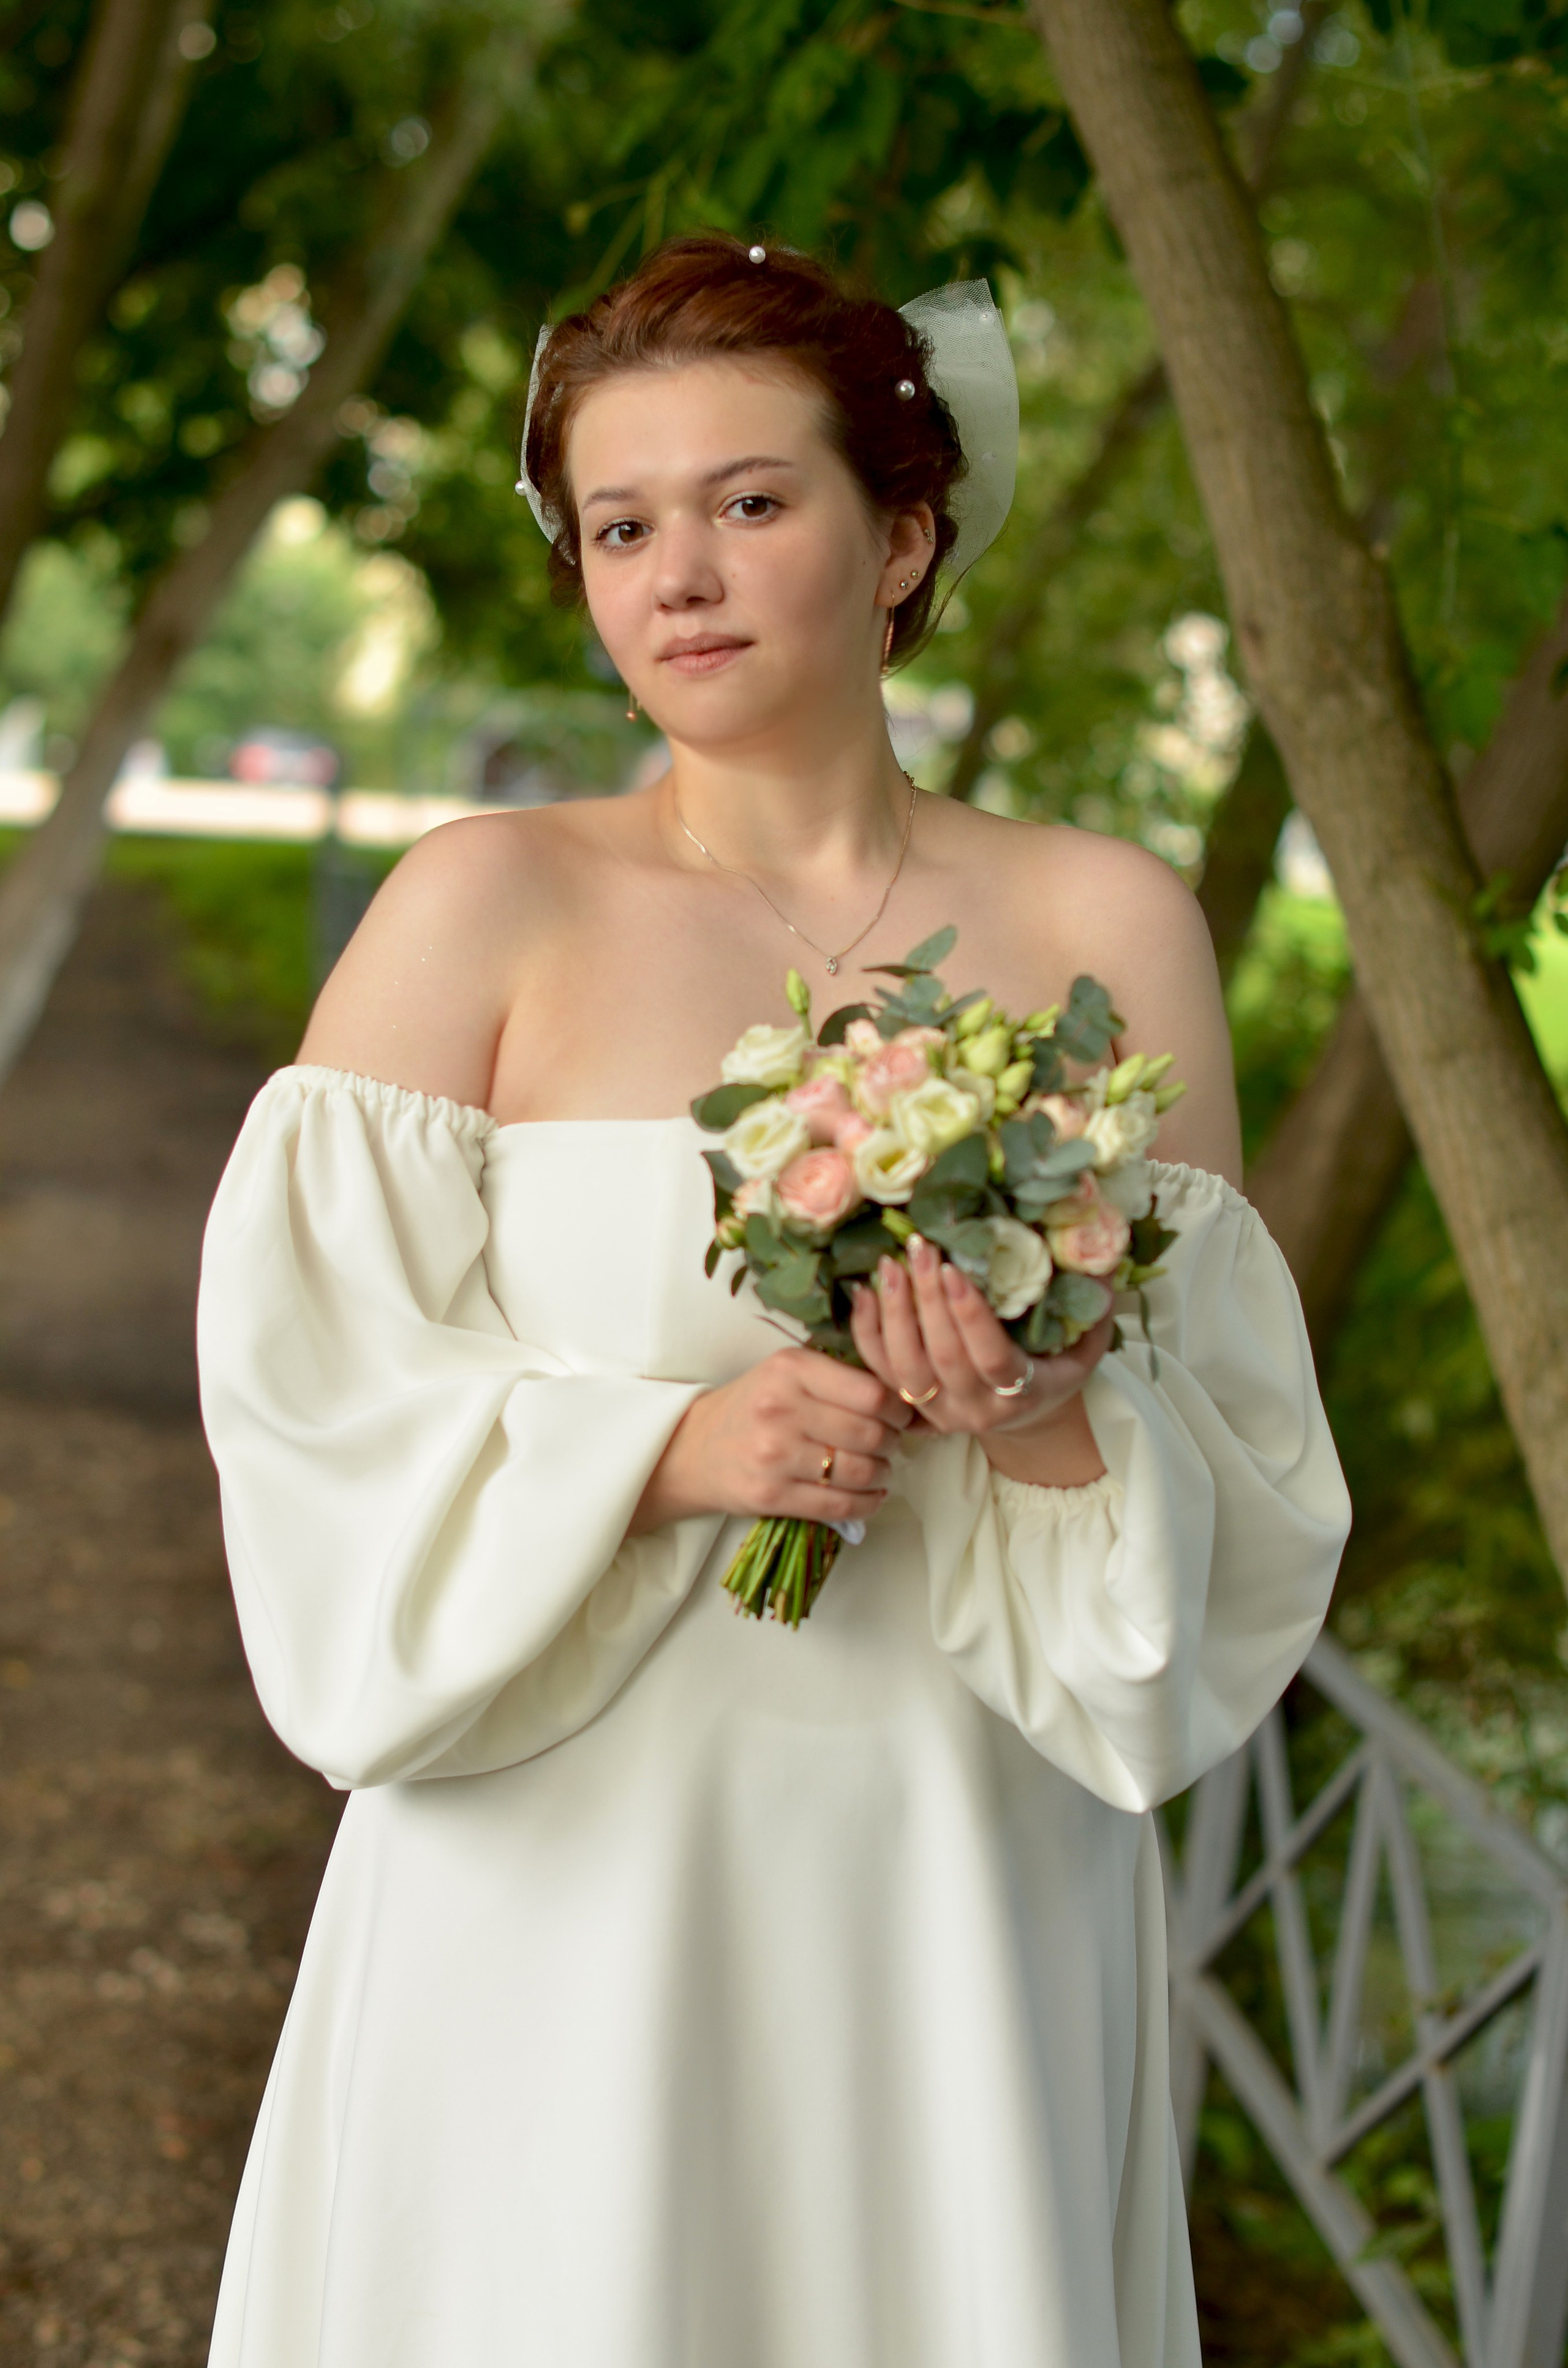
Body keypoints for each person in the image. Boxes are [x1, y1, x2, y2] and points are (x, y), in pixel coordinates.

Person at [197, 232, 1349, 2367]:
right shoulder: (487, 908)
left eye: (751, 502)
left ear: (902, 532)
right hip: (559, 1860)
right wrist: (660, 1447)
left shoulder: (1110, 920)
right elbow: (310, 1402)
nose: (680, 575)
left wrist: (1050, 1418)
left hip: (947, 1850)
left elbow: (1234, 1450)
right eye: (623, 525)